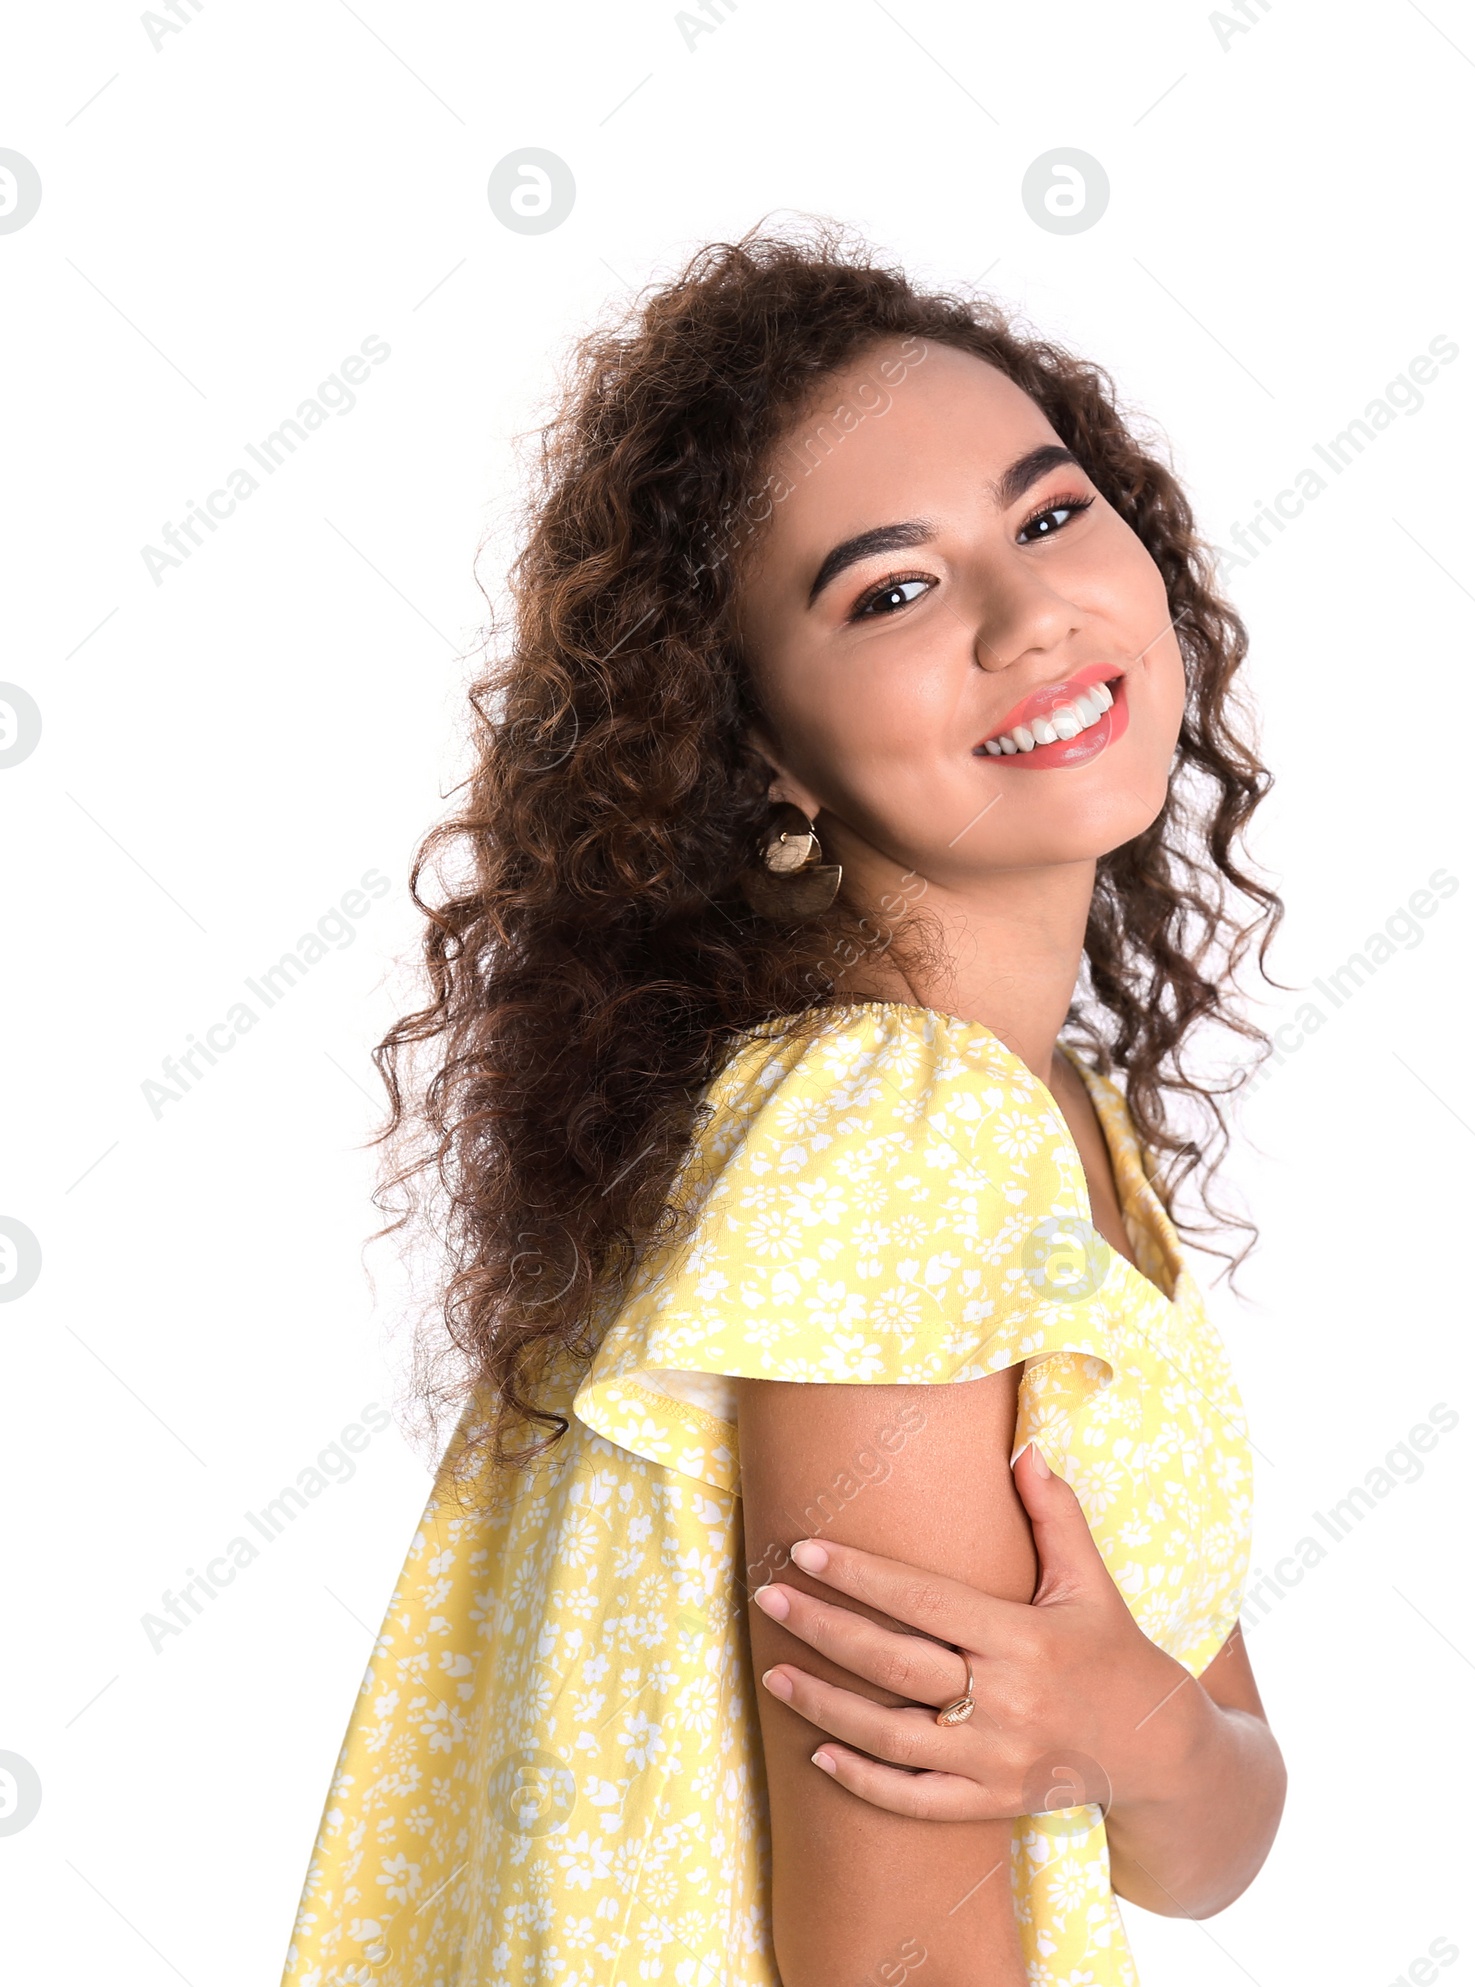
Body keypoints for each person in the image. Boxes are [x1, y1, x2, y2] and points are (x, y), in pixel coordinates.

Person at [281, 224, 1287, 1987]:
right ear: (761, 751)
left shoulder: (1046, 1123)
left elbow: (1211, 1837)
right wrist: (1148, 1751)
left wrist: (1141, 1731)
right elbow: (898, 1964)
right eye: (890, 592)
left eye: (1049, 515)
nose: (1030, 610)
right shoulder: (891, 1148)